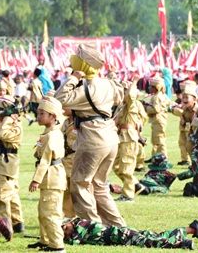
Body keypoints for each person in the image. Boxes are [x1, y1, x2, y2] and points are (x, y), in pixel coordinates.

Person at [54, 44, 125, 227]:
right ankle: (116, 225)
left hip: (92, 137)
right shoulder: (106, 83)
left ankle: (92, 226)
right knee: (99, 185)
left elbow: (59, 99)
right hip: (109, 135)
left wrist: (73, 77)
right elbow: (119, 97)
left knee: (80, 183)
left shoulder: (86, 88)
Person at [27, 95, 67, 253]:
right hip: (49, 178)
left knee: (51, 213)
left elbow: (45, 161)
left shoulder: (53, 135)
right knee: (42, 212)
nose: (38, 117)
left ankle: (57, 245)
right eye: (38, 113)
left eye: (42, 113)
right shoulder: (47, 132)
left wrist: (35, 180)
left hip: (53, 177)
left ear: (53, 116)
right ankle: (45, 241)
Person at [0, 95, 24, 241]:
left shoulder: (12, 123)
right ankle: (17, 222)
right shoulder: (4, 121)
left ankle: (5, 226)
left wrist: (8, 118)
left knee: (1, 196)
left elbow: (2, 134)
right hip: (4, 161)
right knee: (12, 193)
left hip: (6, 162)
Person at [62, 217, 198, 249]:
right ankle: (191, 230)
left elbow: (75, 241)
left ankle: (184, 243)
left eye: (64, 228)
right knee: (156, 236)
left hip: (123, 235)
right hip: (123, 234)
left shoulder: (80, 225)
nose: (65, 232)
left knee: (150, 243)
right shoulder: (78, 226)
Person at [112, 83, 145, 201]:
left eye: (124, 91)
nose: (123, 93)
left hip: (128, 138)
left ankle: (128, 194)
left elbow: (131, 95)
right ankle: (135, 185)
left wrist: (135, 82)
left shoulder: (132, 104)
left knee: (126, 167)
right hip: (121, 137)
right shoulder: (123, 105)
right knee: (116, 165)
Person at [142, 77, 172, 158]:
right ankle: (155, 157)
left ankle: (163, 158)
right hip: (160, 120)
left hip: (158, 120)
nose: (149, 88)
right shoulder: (163, 95)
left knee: (159, 140)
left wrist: (145, 107)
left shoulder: (156, 97)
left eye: (151, 86)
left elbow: (156, 109)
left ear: (157, 87)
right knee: (156, 139)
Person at [171, 80, 198, 166]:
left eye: (187, 98)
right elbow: (174, 110)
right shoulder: (183, 107)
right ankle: (185, 159)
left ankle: (195, 161)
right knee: (182, 143)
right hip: (183, 128)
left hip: (192, 131)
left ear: (194, 99)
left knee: (191, 146)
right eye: (183, 98)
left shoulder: (197, 110)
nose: (184, 100)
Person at [60, 107, 77, 218]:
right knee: (66, 190)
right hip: (65, 160)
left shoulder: (80, 122)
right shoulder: (65, 122)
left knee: (75, 191)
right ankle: (68, 216)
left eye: (65, 106)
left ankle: (78, 218)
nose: (63, 108)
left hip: (76, 159)